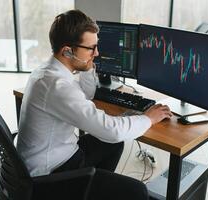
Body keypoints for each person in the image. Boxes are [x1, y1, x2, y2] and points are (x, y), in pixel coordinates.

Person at [17, 9, 172, 200]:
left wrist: (87, 66)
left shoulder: (48, 71)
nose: (97, 53)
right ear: (67, 50)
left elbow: (86, 95)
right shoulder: (58, 87)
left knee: (113, 145)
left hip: (55, 155)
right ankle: (81, 189)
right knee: (137, 190)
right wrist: (148, 118)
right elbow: (112, 130)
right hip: (50, 176)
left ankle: (89, 192)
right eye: (91, 48)